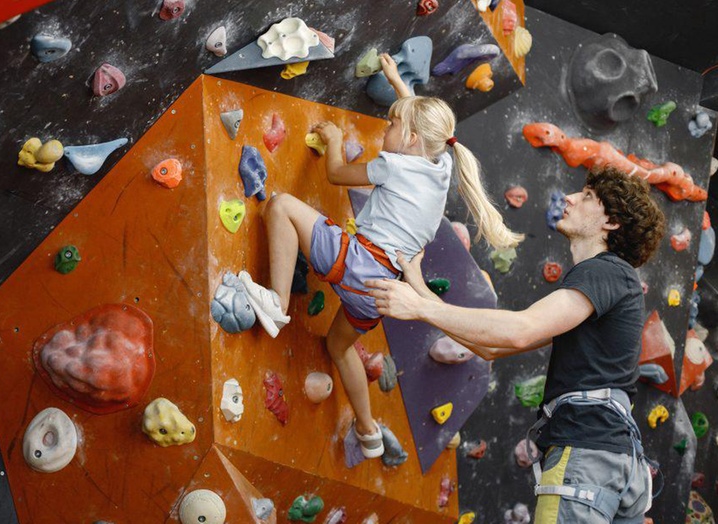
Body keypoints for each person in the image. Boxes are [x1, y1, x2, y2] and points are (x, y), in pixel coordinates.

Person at [237, 54, 522, 459]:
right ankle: (368, 430)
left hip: (356, 264)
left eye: (391, 125)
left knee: (281, 206)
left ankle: (276, 303)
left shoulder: (394, 165)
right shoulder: (439, 165)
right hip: (380, 293)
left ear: (408, 139)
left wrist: (336, 141)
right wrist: (400, 85)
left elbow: (336, 173)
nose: (386, 129)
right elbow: (422, 129)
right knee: (338, 347)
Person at [366, 168, 666, 523]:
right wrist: (423, 295)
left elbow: (521, 330)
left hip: (587, 457)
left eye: (586, 196)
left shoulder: (605, 272)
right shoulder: (609, 286)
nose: (568, 198)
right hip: (615, 463)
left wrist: (420, 307)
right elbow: (492, 348)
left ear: (612, 222)